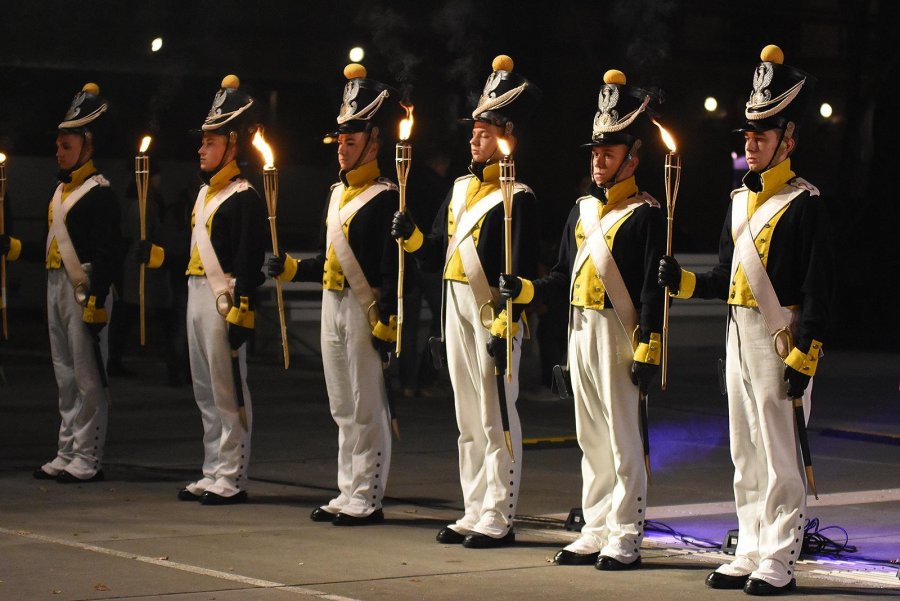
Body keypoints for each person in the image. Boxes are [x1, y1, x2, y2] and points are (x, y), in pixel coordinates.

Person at [658, 45, 833, 595]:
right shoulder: (738, 202)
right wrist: (683, 283)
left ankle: (779, 556)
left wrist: (805, 355)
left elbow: (818, 289)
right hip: (736, 333)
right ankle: (752, 545)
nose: (751, 144)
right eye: (748, 136)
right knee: (744, 449)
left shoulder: (806, 204)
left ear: (789, 139)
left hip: (779, 339)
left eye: (762, 135)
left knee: (780, 453)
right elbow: (722, 277)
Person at [500, 69, 665, 569]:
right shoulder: (581, 211)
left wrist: (649, 346)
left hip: (620, 333)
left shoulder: (647, 213)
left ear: (632, 156)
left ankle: (627, 533)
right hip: (580, 329)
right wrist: (527, 289)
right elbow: (563, 278)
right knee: (589, 436)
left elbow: (653, 289)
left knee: (622, 438)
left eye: (608, 153)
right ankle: (595, 526)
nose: (597, 161)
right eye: (595, 153)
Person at [391, 55, 541, 548]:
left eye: (483, 131)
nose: (473, 138)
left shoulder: (519, 195)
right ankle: (474, 507)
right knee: (466, 417)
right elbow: (438, 250)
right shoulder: (458, 190)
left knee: (496, 414)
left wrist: (507, 321)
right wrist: (412, 237)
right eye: (473, 131)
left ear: (505, 136)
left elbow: (517, 269)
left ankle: (499, 514)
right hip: (454, 306)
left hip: (491, 313)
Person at [267, 63, 400, 525]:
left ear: (373, 143)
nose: (342, 149)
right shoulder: (336, 194)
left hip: (365, 308)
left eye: (351, 140)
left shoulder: (386, 197)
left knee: (367, 406)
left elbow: (390, 264)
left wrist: (390, 316)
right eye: (340, 141)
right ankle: (347, 490)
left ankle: (368, 495)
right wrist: (291, 268)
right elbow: (331, 258)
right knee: (341, 404)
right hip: (332, 302)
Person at [140, 75, 267, 505]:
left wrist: (244, 307)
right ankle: (212, 468)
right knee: (204, 390)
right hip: (197, 292)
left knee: (228, 389)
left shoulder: (244, 195)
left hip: (224, 296)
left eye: (210, 142)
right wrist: (159, 257)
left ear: (232, 144)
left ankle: (232, 475)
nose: (201, 148)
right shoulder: (203, 194)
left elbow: (250, 259)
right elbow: (192, 251)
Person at [2, 83, 121, 483]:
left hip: (84, 289)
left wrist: (99, 297)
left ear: (87, 145)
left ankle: (88, 456)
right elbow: (50, 247)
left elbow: (106, 253)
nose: (58, 151)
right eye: (57, 145)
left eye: (66, 145)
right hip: (56, 286)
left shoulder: (100, 193)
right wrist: (15, 248)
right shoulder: (59, 191)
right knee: (64, 374)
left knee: (89, 378)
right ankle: (67, 448)